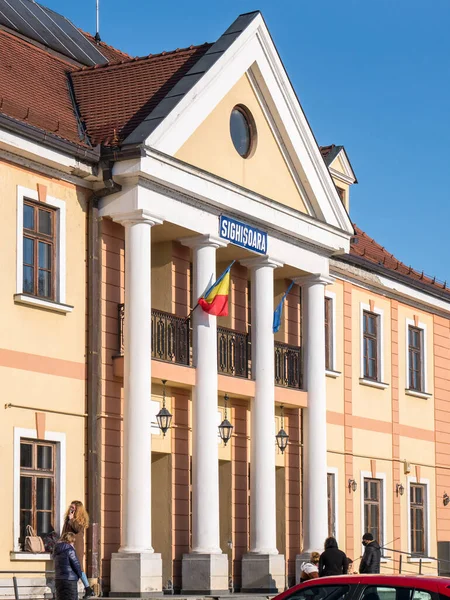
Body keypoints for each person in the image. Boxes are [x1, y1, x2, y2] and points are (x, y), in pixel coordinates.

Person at [61, 501, 94, 598]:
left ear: (78, 510)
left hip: (77, 546)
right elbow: (64, 531)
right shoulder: (68, 518)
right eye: (70, 507)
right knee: (70, 566)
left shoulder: (80, 519)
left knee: (78, 566)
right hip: (67, 544)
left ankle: (87, 588)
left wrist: (71, 520)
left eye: (73, 508)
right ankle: (86, 589)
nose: (71, 509)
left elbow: (77, 529)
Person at [53, 532, 83, 600]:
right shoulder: (70, 550)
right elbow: (76, 564)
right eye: (73, 541)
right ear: (70, 541)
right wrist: (79, 575)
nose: (73, 543)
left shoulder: (56, 550)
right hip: (70, 580)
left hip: (58, 579)